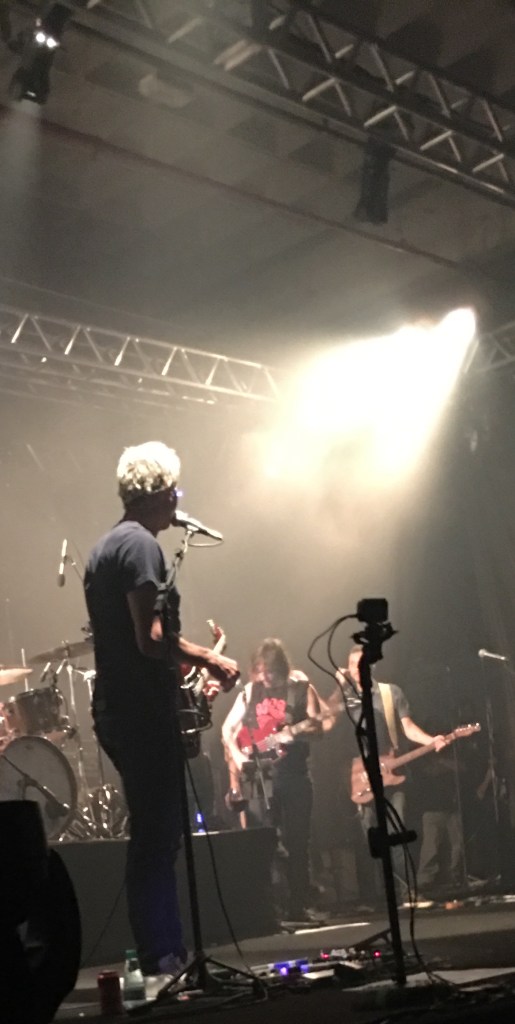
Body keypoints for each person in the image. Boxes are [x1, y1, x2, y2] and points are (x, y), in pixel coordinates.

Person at [84, 441, 239, 988]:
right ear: (159, 492)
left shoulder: (106, 547)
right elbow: (150, 639)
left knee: (155, 833)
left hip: (122, 707)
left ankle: (165, 954)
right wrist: (210, 659)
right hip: (139, 712)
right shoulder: (140, 547)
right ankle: (163, 958)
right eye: (175, 489)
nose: (179, 498)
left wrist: (186, 671)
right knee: (158, 836)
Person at [329, 645, 447, 905]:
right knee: (369, 838)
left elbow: (407, 727)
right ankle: (376, 896)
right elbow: (325, 723)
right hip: (360, 776)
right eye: (351, 664)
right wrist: (339, 688)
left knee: (396, 833)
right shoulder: (344, 698)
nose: (356, 669)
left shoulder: (390, 693)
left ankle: (407, 892)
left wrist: (431, 740)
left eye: (361, 663)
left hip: (392, 774)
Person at [222, 637, 325, 922]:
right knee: (263, 843)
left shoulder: (301, 689)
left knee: (298, 842)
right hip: (260, 779)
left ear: (281, 668)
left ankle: (298, 905)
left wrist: (295, 734)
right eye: (260, 670)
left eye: (269, 671)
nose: (264, 677)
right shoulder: (249, 692)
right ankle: (268, 909)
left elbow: (319, 728)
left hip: (294, 776)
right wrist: (238, 758)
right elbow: (227, 730)